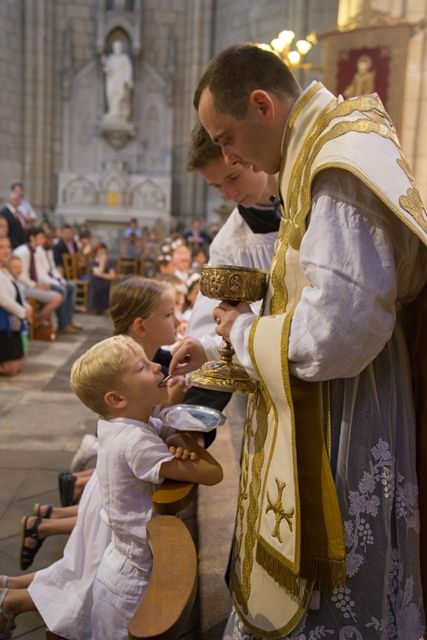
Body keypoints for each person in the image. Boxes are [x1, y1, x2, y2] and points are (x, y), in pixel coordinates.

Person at [190, 43, 427, 639]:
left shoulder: (336, 165)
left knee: (335, 581)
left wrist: (242, 332)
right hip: (327, 395)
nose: (228, 153)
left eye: (224, 139)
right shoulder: (315, 153)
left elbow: (337, 334)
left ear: (262, 106)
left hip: (345, 400)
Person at [71, 335, 223, 640]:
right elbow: (212, 473)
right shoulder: (137, 442)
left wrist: (178, 439)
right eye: (142, 366)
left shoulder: (128, 423)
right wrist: (181, 442)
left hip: (124, 563)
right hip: (134, 581)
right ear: (116, 399)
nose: (157, 367)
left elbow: (173, 433)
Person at [0, 236, 32, 376]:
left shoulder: (5, 271)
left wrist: (26, 306)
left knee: (19, 364)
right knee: (12, 369)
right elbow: (3, 299)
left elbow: (16, 291)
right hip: (3, 325)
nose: (6, 251)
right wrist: (22, 311)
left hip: (13, 323)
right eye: (1, 247)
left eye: (8, 247)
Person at [102, 39, 134, 120]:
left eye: (119, 47)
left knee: (120, 94)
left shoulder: (124, 58)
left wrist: (128, 79)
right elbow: (107, 70)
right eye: (116, 47)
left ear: (121, 48)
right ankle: (112, 111)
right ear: (113, 48)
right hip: (111, 80)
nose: (117, 49)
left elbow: (128, 69)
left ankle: (118, 112)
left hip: (120, 80)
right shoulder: (111, 58)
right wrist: (104, 63)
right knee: (110, 94)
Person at [88, 243, 116, 314]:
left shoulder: (109, 262)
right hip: (95, 281)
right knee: (97, 284)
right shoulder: (93, 262)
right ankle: (95, 307)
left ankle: (104, 307)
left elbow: (112, 276)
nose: (103, 254)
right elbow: (98, 272)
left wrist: (102, 275)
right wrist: (102, 262)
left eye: (104, 252)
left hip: (105, 281)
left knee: (106, 284)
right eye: (101, 252)